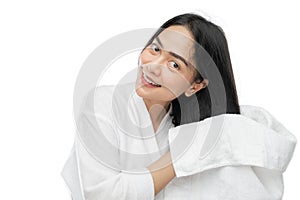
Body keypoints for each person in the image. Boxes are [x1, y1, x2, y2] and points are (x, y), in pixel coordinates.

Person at [61, 13, 297, 200]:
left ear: (195, 86)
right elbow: (101, 195)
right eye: (155, 49)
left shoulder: (191, 128)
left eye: (174, 64)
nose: (153, 66)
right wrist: (182, 157)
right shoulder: (101, 105)